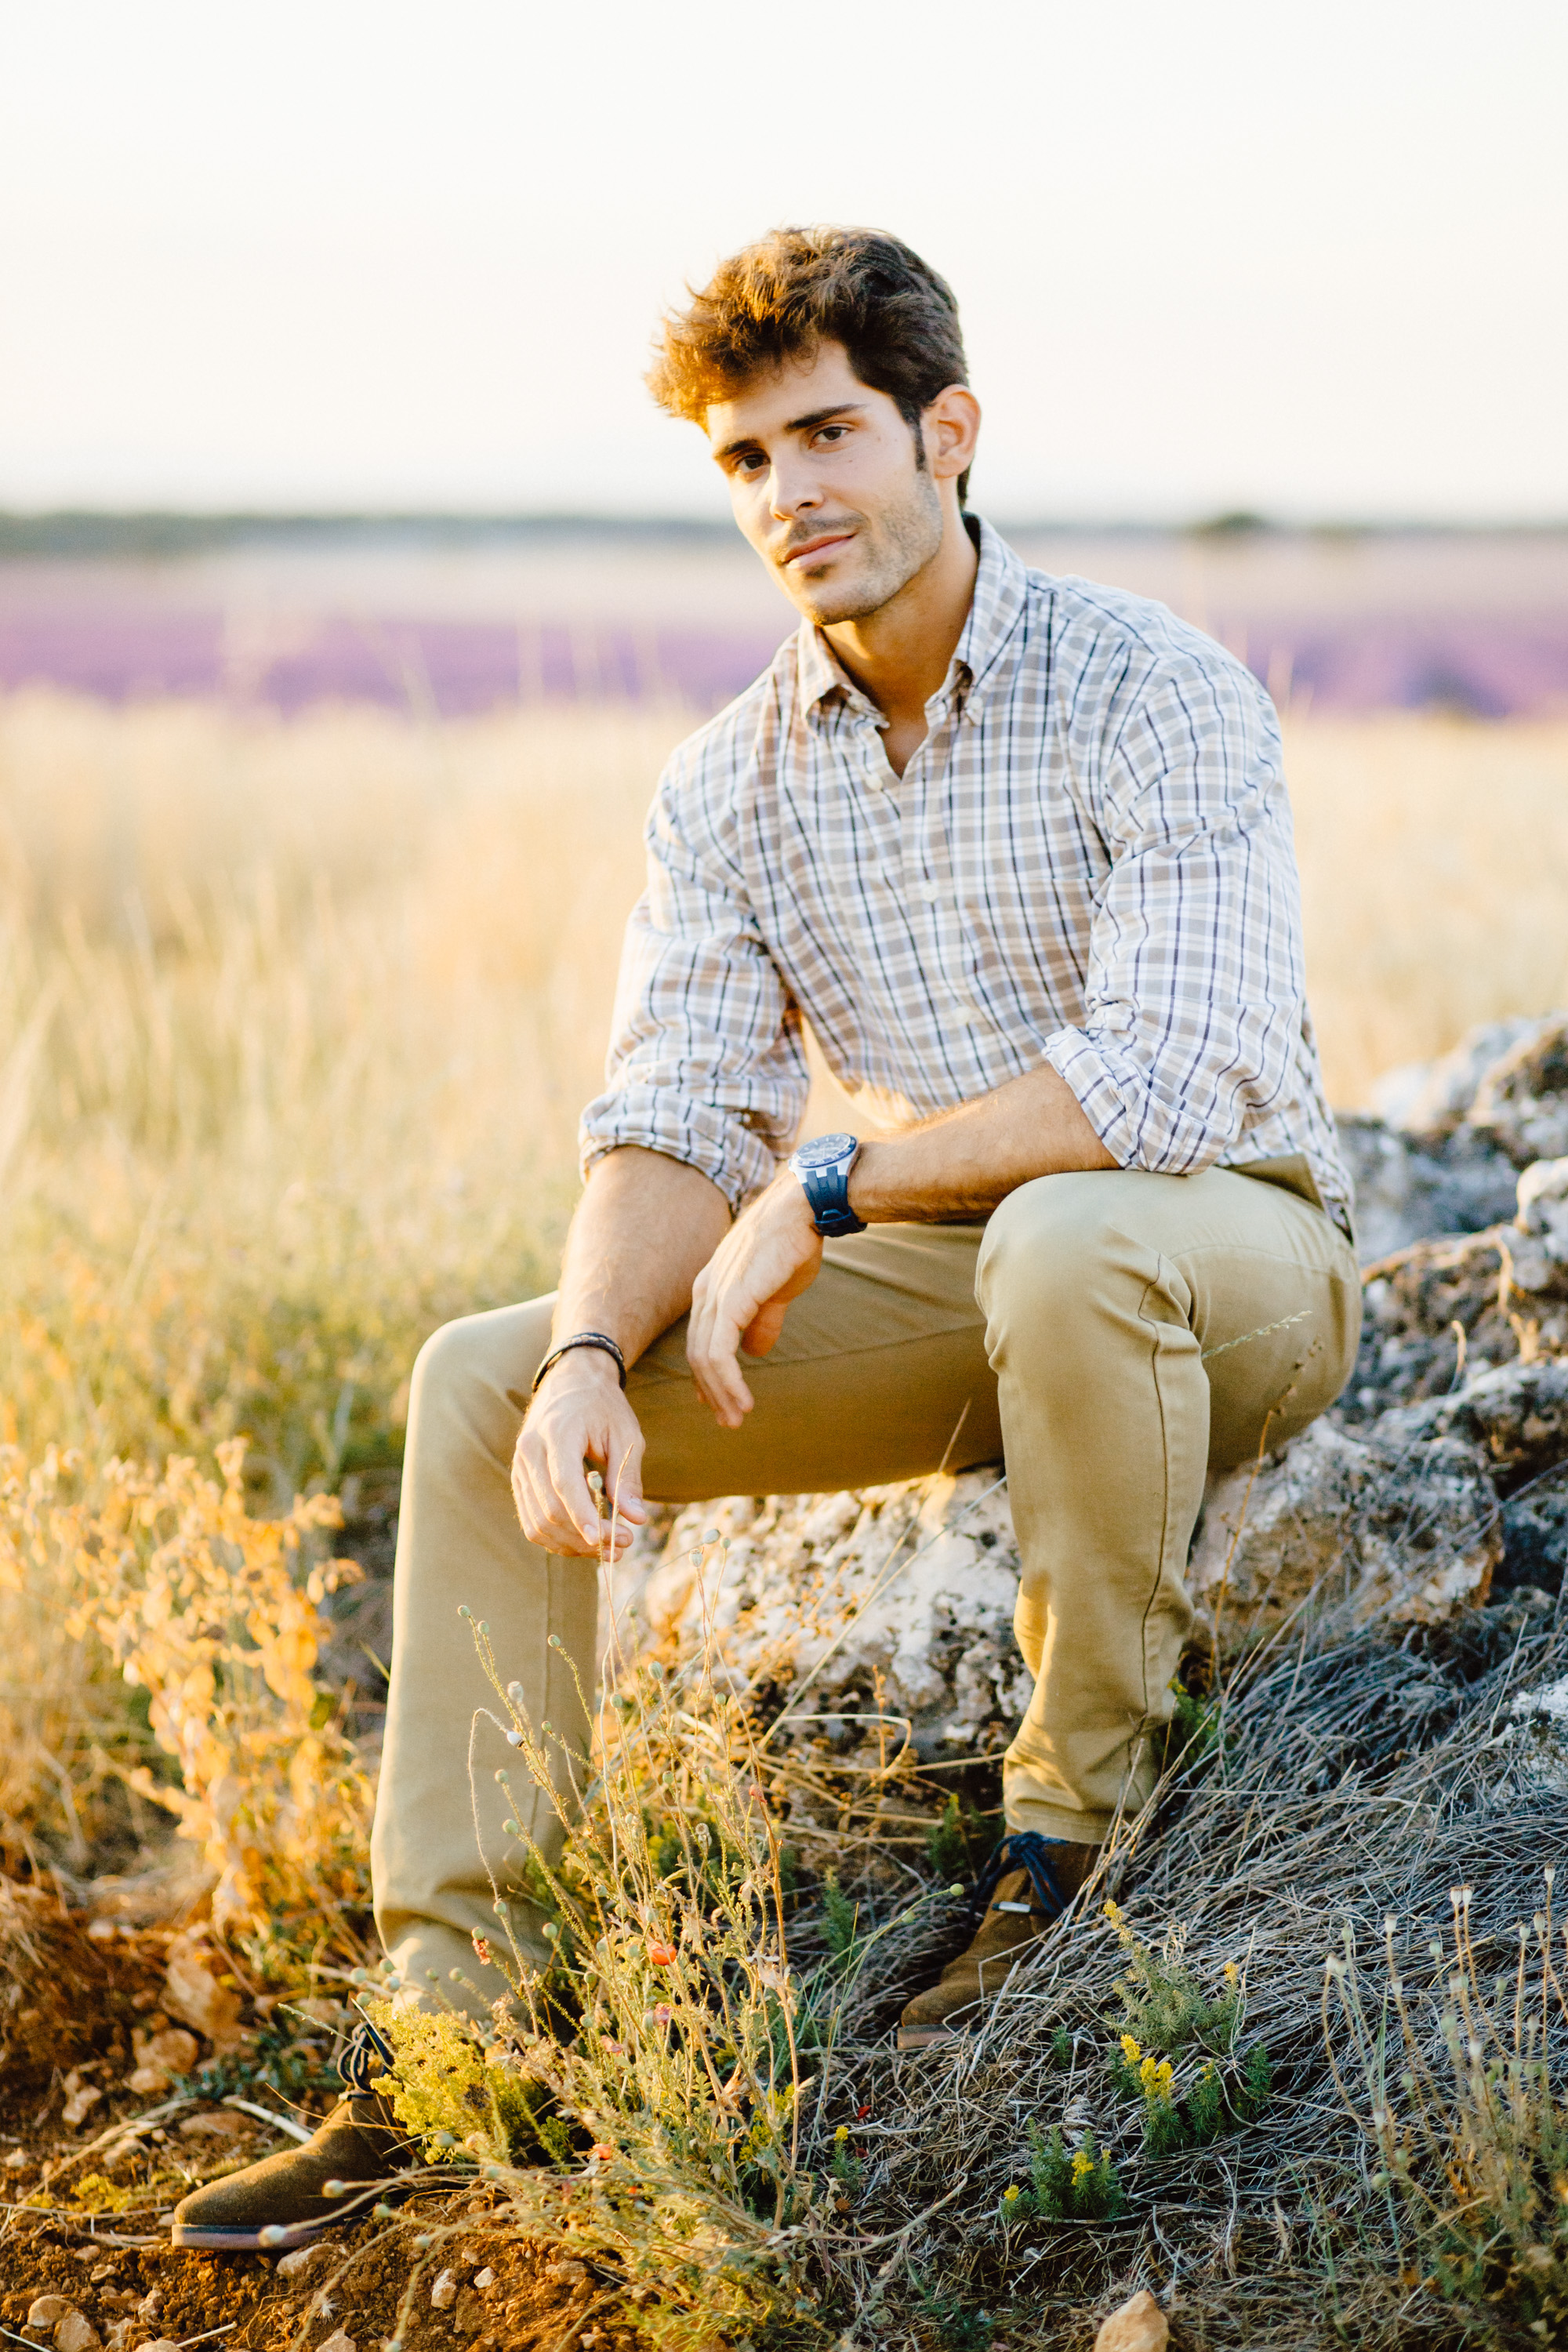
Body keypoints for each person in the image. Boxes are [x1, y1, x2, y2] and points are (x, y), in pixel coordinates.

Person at [173, 225, 1359, 2252]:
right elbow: (670, 1110)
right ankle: (455, 2039)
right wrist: (575, 1359)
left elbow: (1164, 1081)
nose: (789, 494)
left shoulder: (1159, 688)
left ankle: (1072, 1843)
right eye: (744, 459)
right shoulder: (726, 786)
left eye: (828, 433)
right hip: (979, 1293)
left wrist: (823, 1190)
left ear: (948, 433)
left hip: (1222, 1259)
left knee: (1068, 1235)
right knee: (478, 1383)